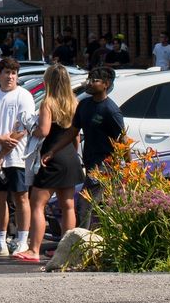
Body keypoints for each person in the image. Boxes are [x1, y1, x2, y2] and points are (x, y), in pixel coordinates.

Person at [12, 64, 83, 263]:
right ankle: (66, 250)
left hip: (51, 157)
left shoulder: (48, 103)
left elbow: (43, 130)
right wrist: (74, 155)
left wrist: (30, 129)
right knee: (68, 205)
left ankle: (34, 249)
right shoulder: (74, 102)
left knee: (37, 203)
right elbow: (75, 135)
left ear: (48, 81)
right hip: (69, 156)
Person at [40, 66, 125, 228]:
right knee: (99, 209)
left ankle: (80, 246)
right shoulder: (84, 104)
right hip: (90, 162)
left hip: (104, 167)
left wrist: (127, 168)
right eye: (89, 79)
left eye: (95, 80)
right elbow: (72, 132)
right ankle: (94, 244)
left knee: (84, 206)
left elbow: (123, 140)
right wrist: (53, 150)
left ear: (106, 84)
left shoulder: (110, 110)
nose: (90, 83)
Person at [0, 57, 36, 257]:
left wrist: (0, 154)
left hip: (17, 158)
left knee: (21, 197)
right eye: (7, 72)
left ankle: (22, 241)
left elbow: (22, 130)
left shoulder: (24, 96)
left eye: (14, 73)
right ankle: (0, 242)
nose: (10, 77)